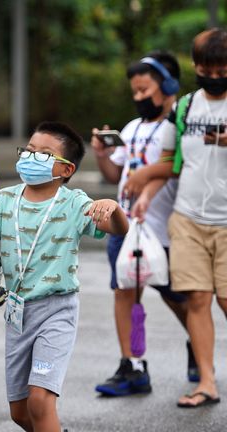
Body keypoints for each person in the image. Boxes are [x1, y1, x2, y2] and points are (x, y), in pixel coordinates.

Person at [0, 121, 129, 432]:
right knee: (20, 411)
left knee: (39, 400)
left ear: (66, 169)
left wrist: (113, 208)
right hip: (17, 313)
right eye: (30, 150)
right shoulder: (6, 199)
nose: (32, 157)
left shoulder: (74, 203)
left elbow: (118, 229)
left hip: (57, 310)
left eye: (45, 154)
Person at [124, 28, 227, 409]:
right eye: (207, 69)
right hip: (187, 219)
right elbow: (171, 163)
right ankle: (207, 381)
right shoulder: (185, 108)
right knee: (196, 300)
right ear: (196, 66)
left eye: (222, 71)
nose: (214, 78)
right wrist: (146, 191)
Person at [90, 52, 193, 397]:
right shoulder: (132, 129)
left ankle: (198, 341)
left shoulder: (177, 126)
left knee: (178, 296)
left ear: (168, 87)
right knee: (126, 294)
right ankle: (132, 363)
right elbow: (114, 176)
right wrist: (102, 155)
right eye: (134, 92)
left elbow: (175, 166)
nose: (139, 98)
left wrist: (146, 178)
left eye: (144, 90)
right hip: (125, 226)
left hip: (164, 228)